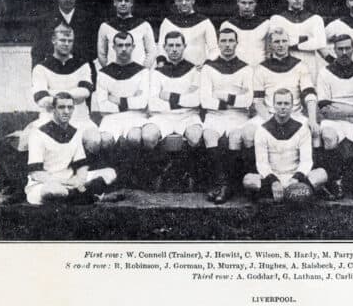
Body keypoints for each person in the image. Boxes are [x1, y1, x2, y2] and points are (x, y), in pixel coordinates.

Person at [8, 22, 102, 154]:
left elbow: (85, 92)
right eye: (62, 40)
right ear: (53, 40)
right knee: (28, 142)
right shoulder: (41, 68)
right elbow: (41, 99)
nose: (66, 44)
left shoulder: (83, 65)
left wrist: (52, 94)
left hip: (79, 118)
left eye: (70, 41)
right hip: (50, 118)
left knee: (94, 141)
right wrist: (71, 96)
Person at [242, 27, 319, 182]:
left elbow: (309, 94)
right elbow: (257, 101)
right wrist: (270, 121)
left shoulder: (300, 65)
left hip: (294, 114)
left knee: (314, 132)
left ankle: (306, 180)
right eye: (277, 42)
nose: (281, 45)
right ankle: (260, 178)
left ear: (288, 43)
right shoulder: (261, 68)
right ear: (271, 45)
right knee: (248, 133)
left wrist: (312, 119)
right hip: (268, 114)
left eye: (284, 41)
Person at [25, 92, 117, 205]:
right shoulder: (37, 133)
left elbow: (81, 165)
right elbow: (37, 173)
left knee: (110, 173)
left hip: (71, 180)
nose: (66, 111)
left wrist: (79, 180)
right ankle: (85, 196)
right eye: (61, 107)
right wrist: (67, 183)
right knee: (55, 191)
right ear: (53, 109)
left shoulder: (76, 132)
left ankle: (78, 195)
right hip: (45, 183)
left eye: (70, 107)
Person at [142, 31, 203, 190]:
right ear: (165, 47)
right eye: (171, 45)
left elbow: (196, 100)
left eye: (178, 45)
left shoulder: (193, 70)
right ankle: (160, 173)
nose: (174, 49)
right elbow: (153, 103)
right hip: (162, 117)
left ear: (184, 47)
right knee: (148, 136)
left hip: (188, 116)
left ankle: (187, 174)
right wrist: (183, 98)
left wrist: (167, 95)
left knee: (196, 138)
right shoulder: (156, 72)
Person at [243, 88, 328, 202]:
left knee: (322, 174)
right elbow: (262, 163)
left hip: (295, 179)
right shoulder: (262, 130)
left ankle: (279, 194)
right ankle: (293, 194)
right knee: (248, 180)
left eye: (286, 103)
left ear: (292, 106)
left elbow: (306, 161)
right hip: (273, 178)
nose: (283, 107)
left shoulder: (302, 129)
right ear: (273, 105)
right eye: (279, 103)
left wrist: (295, 179)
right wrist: (274, 181)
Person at [200, 28, 253, 204]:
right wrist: (233, 98)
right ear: (218, 43)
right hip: (214, 116)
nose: (228, 45)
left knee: (235, 138)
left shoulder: (246, 69)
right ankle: (220, 182)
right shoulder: (208, 68)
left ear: (237, 43)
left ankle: (227, 185)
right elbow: (205, 100)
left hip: (238, 116)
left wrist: (223, 95)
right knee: (209, 136)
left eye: (231, 41)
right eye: (224, 41)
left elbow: (248, 100)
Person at [317, 34, 353, 200]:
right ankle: (336, 181)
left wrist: (341, 110)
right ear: (334, 50)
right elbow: (325, 108)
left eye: (348, 48)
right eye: (340, 49)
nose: (344, 52)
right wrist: (352, 112)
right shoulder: (324, 73)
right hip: (335, 121)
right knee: (329, 137)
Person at [94, 31, 150, 154]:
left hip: (136, 116)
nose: (124, 49)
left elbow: (142, 102)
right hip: (111, 118)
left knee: (135, 137)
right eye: (120, 45)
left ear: (133, 47)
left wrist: (117, 100)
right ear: (113, 47)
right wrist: (131, 99)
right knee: (105, 140)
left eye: (127, 45)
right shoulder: (103, 73)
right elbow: (103, 105)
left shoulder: (143, 72)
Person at [31, 0, 98, 71]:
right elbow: (37, 52)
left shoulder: (88, 20)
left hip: (80, 70)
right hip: (53, 71)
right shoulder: (45, 21)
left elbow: (94, 50)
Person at [269, 0, 326, 80]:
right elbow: (276, 42)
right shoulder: (277, 19)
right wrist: (306, 40)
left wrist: (293, 44)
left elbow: (320, 42)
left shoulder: (316, 19)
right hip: (286, 64)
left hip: (309, 64)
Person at [158, 0, 218, 67]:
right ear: (175, 1)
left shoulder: (205, 22)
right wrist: (162, 63)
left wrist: (205, 65)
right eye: (180, 0)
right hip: (173, 71)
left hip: (197, 70)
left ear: (193, 0)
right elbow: (161, 47)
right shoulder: (167, 22)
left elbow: (214, 49)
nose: (184, 3)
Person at [97, 0, 157, 68]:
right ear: (114, 2)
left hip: (137, 75)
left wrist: (142, 71)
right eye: (119, 0)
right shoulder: (105, 27)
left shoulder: (144, 26)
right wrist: (109, 71)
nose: (123, 3)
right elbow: (101, 54)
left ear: (131, 3)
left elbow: (151, 52)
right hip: (113, 75)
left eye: (126, 1)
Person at [220, 0, 270, 67]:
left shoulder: (266, 24)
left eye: (251, 3)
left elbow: (269, 51)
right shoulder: (228, 25)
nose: (247, 6)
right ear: (237, 2)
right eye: (243, 3)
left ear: (256, 3)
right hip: (236, 70)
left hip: (259, 70)